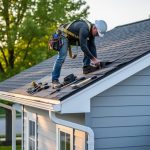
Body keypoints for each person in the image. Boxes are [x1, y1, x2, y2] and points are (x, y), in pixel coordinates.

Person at [51, 19, 107, 89]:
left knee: (89, 44)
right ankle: (54, 80)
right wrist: (94, 59)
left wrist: (97, 61)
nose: (97, 35)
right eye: (97, 34)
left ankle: (86, 67)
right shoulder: (84, 29)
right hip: (63, 35)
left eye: (98, 35)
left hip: (71, 37)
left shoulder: (91, 32)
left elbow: (92, 46)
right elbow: (83, 47)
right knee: (62, 57)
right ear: (94, 28)